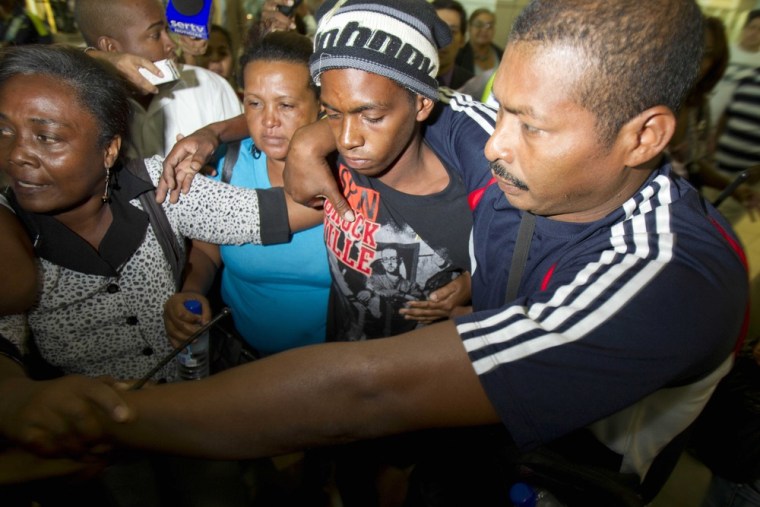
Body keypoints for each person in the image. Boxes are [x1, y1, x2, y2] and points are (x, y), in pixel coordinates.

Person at [5, 1, 749, 506]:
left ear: (645, 136)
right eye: (502, 106)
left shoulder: (668, 277)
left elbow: (367, 391)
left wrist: (118, 417)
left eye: (529, 125)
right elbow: (390, 101)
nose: (492, 143)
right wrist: (309, 136)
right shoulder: (505, 131)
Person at [0, 43, 298, 505]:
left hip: (192, 422)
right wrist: (20, 402)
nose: (18, 155)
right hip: (95, 453)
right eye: (4, 131)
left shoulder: (159, 186)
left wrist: (315, 139)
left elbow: (282, 212)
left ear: (109, 148)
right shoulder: (8, 234)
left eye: (47, 137)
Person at [163, 30, 329, 358]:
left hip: (331, 363)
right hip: (241, 354)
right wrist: (191, 292)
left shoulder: (351, 172)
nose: (268, 121)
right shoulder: (227, 163)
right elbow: (208, 250)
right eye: (254, 103)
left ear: (321, 104)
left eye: (286, 104)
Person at [74, 0, 242, 159]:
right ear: (110, 48)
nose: (171, 44)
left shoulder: (208, 86)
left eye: (167, 30)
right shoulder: (82, 104)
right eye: (155, 35)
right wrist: (102, 59)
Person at [709, 9, 760, 124]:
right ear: (745, 28)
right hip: (709, 109)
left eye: (759, 30)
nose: (755, 33)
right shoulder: (725, 51)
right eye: (752, 27)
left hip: (734, 120)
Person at [432, 0, 473, 90]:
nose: (443, 39)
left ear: (462, 40)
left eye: (452, 31)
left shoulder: (473, 86)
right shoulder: (405, 78)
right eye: (436, 30)